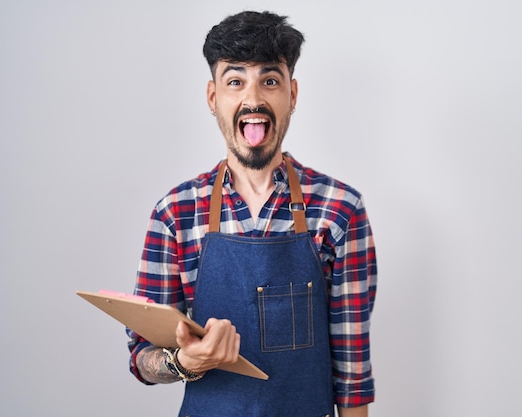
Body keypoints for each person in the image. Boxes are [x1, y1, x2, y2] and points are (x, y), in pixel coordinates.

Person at [127, 10, 377, 417]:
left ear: (292, 94)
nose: (254, 99)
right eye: (236, 81)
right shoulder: (175, 214)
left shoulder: (339, 210)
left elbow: (352, 376)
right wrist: (182, 362)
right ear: (213, 97)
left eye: (270, 80)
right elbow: (143, 356)